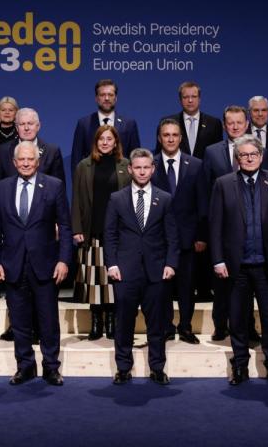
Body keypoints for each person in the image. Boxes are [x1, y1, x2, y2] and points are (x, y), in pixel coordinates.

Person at [209, 135, 268, 387]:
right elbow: (215, 227)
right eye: (243, 155)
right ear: (237, 158)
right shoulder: (223, 184)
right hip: (236, 266)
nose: (247, 158)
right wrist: (218, 260)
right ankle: (240, 366)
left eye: (252, 154)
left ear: (261, 156)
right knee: (237, 319)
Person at [0, 141, 73, 386]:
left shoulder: (54, 186)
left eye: (30, 159)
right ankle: (25, 366)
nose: (26, 163)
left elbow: (65, 227)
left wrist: (63, 260)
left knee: (48, 320)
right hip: (12, 264)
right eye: (21, 160)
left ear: (37, 162)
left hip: (46, 264)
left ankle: (51, 367)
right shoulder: (1, 188)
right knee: (20, 321)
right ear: (14, 163)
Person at [104, 148, 179, 385]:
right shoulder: (117, 199)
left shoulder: (164, 198)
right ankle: (123, 368)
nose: (142, 171)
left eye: (147, 167)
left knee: (156, 324)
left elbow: (172, 236)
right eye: (138, 167)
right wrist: (112, 263)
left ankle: (157, 368)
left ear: (153, 169)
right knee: (124, 322)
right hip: (125, 272)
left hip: (157, 271)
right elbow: (110, 234)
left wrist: (171, 263)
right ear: (130, 169)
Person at [204, 105, 259, 340]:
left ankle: (248, 326)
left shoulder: (255, 150)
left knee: (247, 283)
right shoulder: (212, 152)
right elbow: (205, 189)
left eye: (239, 122)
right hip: (223, 228)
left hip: (250, 228)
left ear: (247, 124)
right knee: (223, 281)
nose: (235, 126)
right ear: (224, 125)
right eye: (230, 123)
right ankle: (220, 324)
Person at [71, 125, 131, 340]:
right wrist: (77, 228)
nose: (105, 142)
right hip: (92, 230)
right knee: (95, 280)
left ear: (116, 142)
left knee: (114, 280)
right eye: (101, 139)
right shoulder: (83, 166)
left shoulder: (125, 166)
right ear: (95, 142)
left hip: (119, 233)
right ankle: (96, 322)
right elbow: (77, 198)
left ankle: (112, 322)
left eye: (109, 139)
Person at [153, 118, 209, 344]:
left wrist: (201, 235)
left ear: (181, 138)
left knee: (187, 287)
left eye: (174, 135)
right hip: (159, 238)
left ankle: (185, 326)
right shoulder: (151, 164)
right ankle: (166, 327)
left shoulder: (195, 164)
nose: (170, 139)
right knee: (162, 287)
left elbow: (202, 203)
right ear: (159, 138)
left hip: (188, 238)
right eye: (166, 135)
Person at [70, 78, 142, 172]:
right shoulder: (84, 123)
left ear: (116, 98)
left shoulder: (129, 124)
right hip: (92, 181)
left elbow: (135, 157)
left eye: (110, 95)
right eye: (102, 95)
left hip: (122, 181)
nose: (107, 98)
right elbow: (76, 158)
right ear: (96, 98)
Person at [0, 108, 66, 191]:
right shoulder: (2, 151)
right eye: (22, 124)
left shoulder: (52, 151)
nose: (26, 128)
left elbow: (59, 189)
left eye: (30, 123)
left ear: (38, 126)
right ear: (16, 127)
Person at [156, 81, 223, 159]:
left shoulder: (214, 123)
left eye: (194, 96)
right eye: (186, 97)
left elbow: (218, 155)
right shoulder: (167, 122)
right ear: (180, 100)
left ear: (199, 99)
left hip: (205, 170)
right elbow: (159, 153)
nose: (190, 100)